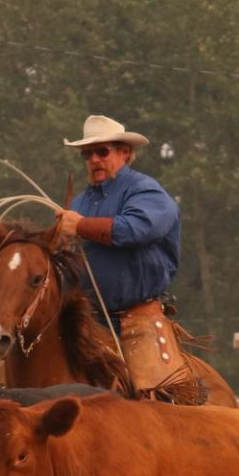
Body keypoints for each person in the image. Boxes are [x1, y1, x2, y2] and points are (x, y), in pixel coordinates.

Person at [56, 114, 203, 403]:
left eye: (103, 151)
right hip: (87, 321)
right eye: (88, 154)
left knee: (161, 400)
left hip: (137, 319)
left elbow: (136, 229)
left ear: (125, 152)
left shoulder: (146, 192)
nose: (94, 159)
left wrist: (80, 225)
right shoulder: (80, 203)